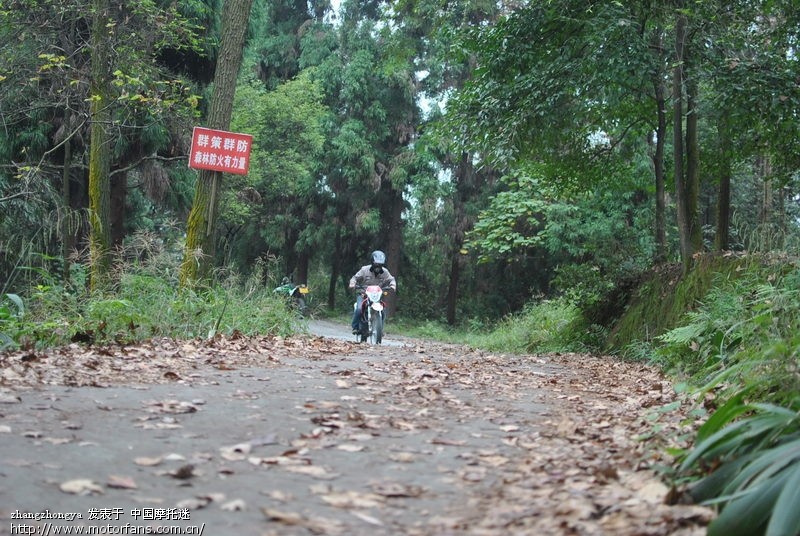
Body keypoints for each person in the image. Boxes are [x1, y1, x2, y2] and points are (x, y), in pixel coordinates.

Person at [349, 250, 397, 334]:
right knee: (359, 309)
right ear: (372, 262)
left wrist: (393, 285)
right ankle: (355, 327)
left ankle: (380, 330)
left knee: (382, 310)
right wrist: (352, 284)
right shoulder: (364, 270)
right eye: (376, 264)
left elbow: (391, 279)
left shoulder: (385, 272)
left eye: (380, 265)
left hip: (376, 296)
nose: (378, 267)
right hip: (363, 294)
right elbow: (354, 278)